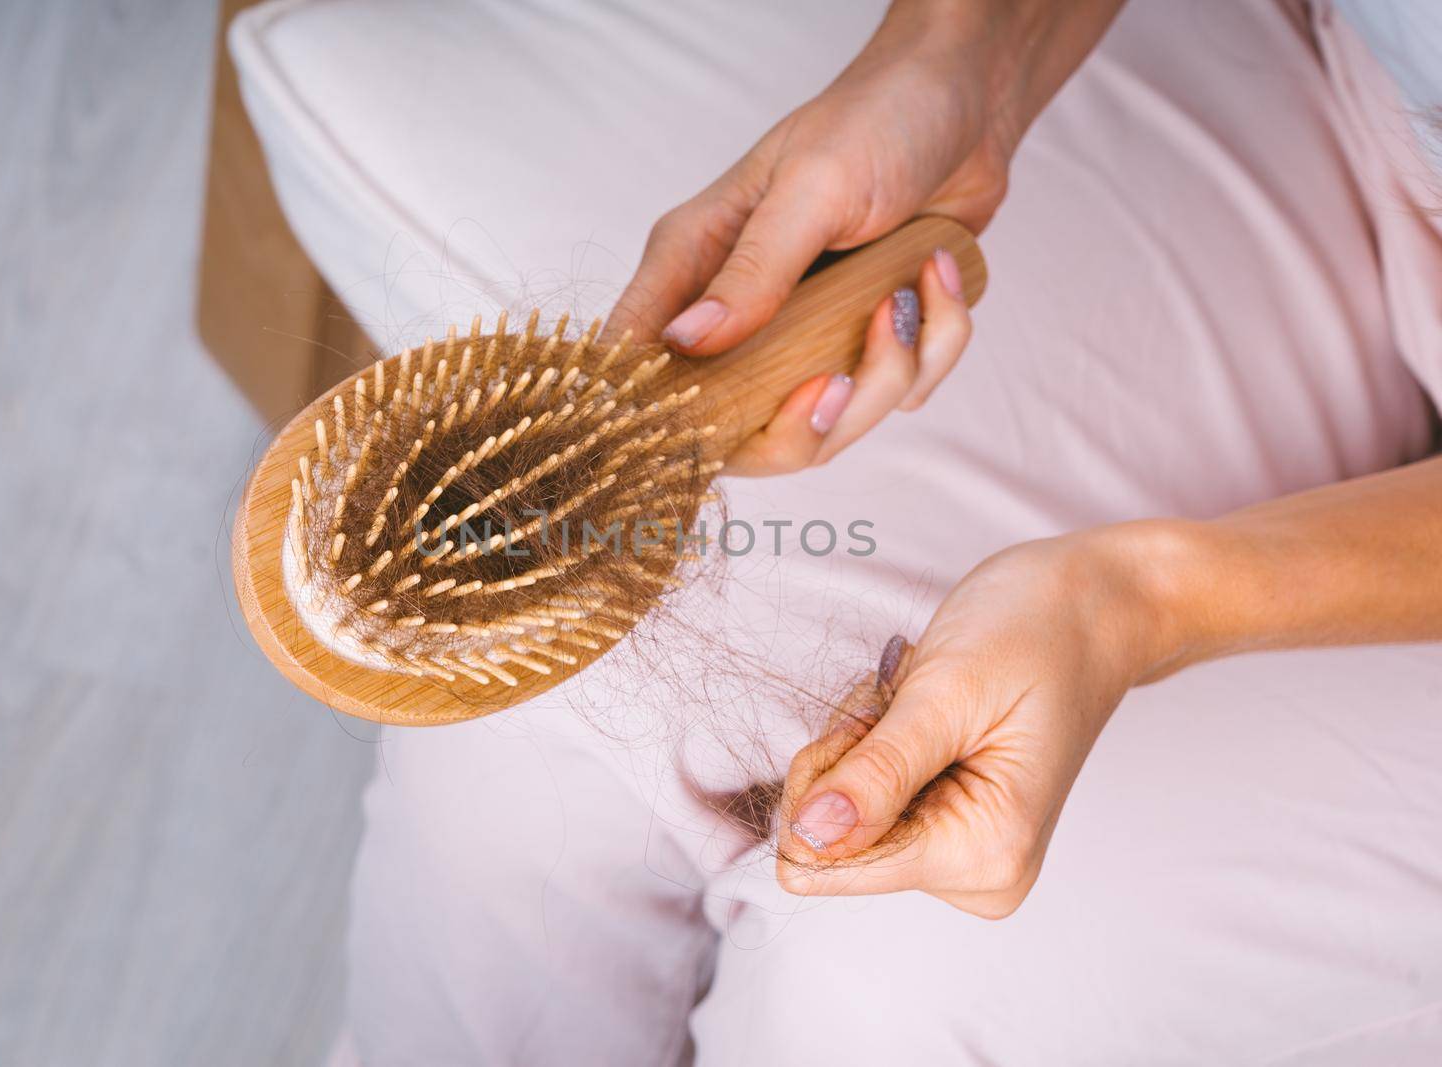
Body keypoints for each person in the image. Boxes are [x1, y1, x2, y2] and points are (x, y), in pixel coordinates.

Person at [318, 0, 1442, 1061]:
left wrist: (1136, 597)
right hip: (1331, 72)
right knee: (535, 700)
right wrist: (957, 60)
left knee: (880, 978)